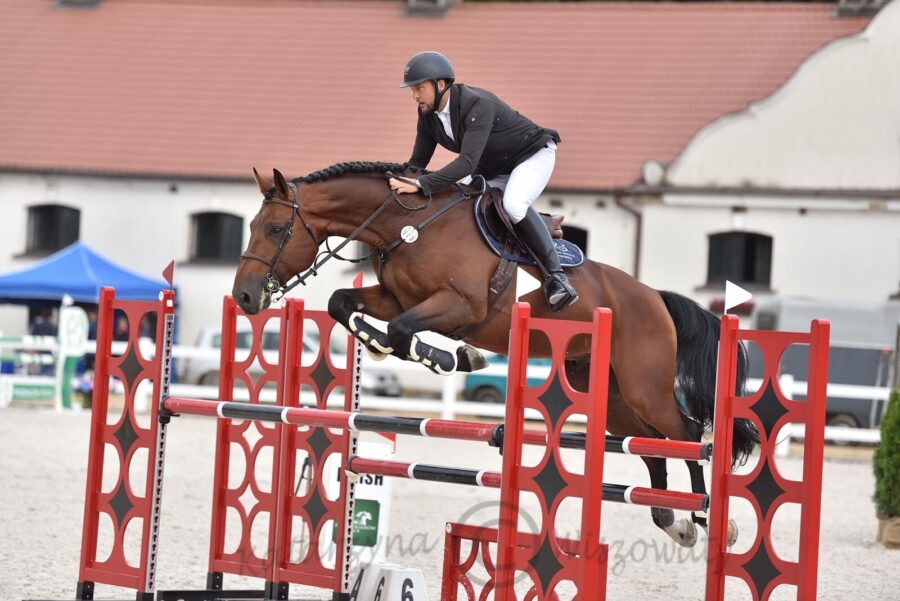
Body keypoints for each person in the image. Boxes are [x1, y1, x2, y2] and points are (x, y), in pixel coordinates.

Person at [389, 51, 578, 312]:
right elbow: (417, 164)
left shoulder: (476, 104)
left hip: (531, 156)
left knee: (513, 205)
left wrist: (423, 185)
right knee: (459, 203)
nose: (415, 96)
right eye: (413, 89)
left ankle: (557, 279)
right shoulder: (427, 114)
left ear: (440, 85)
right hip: (493, 167)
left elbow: (466, 163)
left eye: (419, 88)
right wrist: (394, 179)